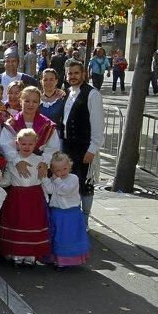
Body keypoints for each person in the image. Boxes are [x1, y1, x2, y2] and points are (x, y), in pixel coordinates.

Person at [0, 128, 50, 266]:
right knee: (16, 223)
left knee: (32, 225)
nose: (27, 147)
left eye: (30, 144)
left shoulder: (40, 160)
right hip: (16, 198)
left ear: (35, 144)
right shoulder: (13, 159)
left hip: (34, 198)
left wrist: (46, 174)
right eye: (23, 144)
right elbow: (7, 180)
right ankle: (16, 253)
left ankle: (30, 255)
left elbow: (43, 180)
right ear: (17, 143)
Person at [62, 61, 104, 225]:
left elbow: (98, 124)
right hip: (68, 146)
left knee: (85, 184)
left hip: (84, 147)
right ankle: (74, 218)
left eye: (76, 73)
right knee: (72, 183)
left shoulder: (92, 94)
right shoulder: (67, 93)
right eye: (69, 73)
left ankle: (85, 219)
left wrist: (92, 149)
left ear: (83, 74)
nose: (72, 76)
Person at [42, 151, 89, 268]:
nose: (62, 172)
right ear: (53, 171)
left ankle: (68, 260)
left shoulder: (73, 178)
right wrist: (44, 177)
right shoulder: (54, 179)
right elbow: (50, 190)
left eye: (64, 168)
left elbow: (65, 191)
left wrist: (56, 179)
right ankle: (57, 258)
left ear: (69, 166)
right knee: (57, 237)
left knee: (68, 237)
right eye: (58, 170)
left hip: (71, 214)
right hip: (57, 213)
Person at [0, 87, 61, 173]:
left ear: (39, 103)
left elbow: (53, 147)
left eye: (35, 101)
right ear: (21, 102)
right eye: (27, 101)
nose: (31, 104)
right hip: (16, 168)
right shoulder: (11, 124)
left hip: (39, 168)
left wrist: (44, 162)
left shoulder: (47, 125)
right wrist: (18, 161)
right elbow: (6, 146)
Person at [39, 68, 66, 135]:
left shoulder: (62, 98)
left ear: (56, 81)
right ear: (41, 81)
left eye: (51, 79)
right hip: (39, 135)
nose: (48, 82)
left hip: (57, 135)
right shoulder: (37, 98)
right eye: (45, 80)